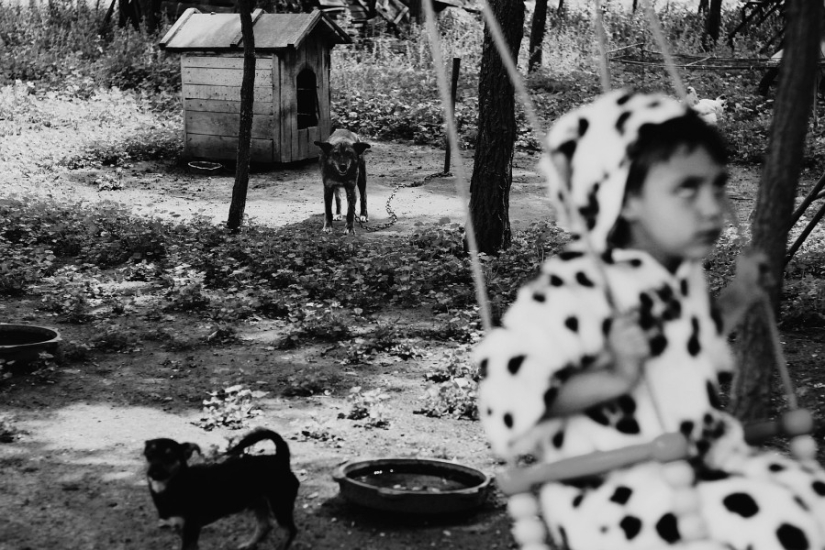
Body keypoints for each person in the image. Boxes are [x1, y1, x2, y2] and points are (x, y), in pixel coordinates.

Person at [474, 90, 825, 550]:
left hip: (705, 467)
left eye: (716, 186)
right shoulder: (573, 286)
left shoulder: (675, 275)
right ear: (626, 197)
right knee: (779, 531)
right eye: (686, 188)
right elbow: (505, 395)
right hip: (616, 494)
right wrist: (615, 376)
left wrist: (739, 296)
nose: (710, 207)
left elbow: (687, 344)